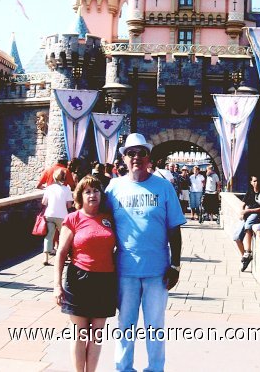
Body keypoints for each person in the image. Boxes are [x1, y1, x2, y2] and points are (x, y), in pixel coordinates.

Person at [105, 133, 185, 372]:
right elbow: (101, 224)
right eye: (131, 153)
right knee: (125, 325)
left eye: (141, 152)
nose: (136, 157)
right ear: (124, 158)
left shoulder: (163, 186)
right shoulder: (114, 188)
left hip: (157, 270)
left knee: (155, 325)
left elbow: (174, 229)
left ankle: (155, 368)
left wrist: (176, 265)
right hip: (125, 269)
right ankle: (123, 367)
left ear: (149, 157)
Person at [53, 175, 116, 372]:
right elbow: (61, 253)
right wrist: (57, 285)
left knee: (96, 336)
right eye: (87, 191)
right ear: (80, 195)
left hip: (104, 280)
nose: (92, 195)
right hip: (78, 279)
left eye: (96, 191)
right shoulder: (73, 219)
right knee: (79, 335)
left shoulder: (108, 218)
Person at [234, 176, 260, 271]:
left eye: (257, 180)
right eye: (254, 181)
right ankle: (245, 257)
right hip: (247, 215)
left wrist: (247, 211)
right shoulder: (250, 191)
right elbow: (242, 204)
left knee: (248, 224)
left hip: (256, 214)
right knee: (236, 237)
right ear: (251, 182)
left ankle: (248, 251)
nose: (256, 183)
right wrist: (242, 212)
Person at [42, 168, 74, 265]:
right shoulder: (66, 189)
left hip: (49, 214)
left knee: (49, 235)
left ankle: (45, 258)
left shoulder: (49, 188)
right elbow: (69, 205)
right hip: (62, 216)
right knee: (62, 236)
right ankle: (61, 257)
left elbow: (44, 202)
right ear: (64, 178)